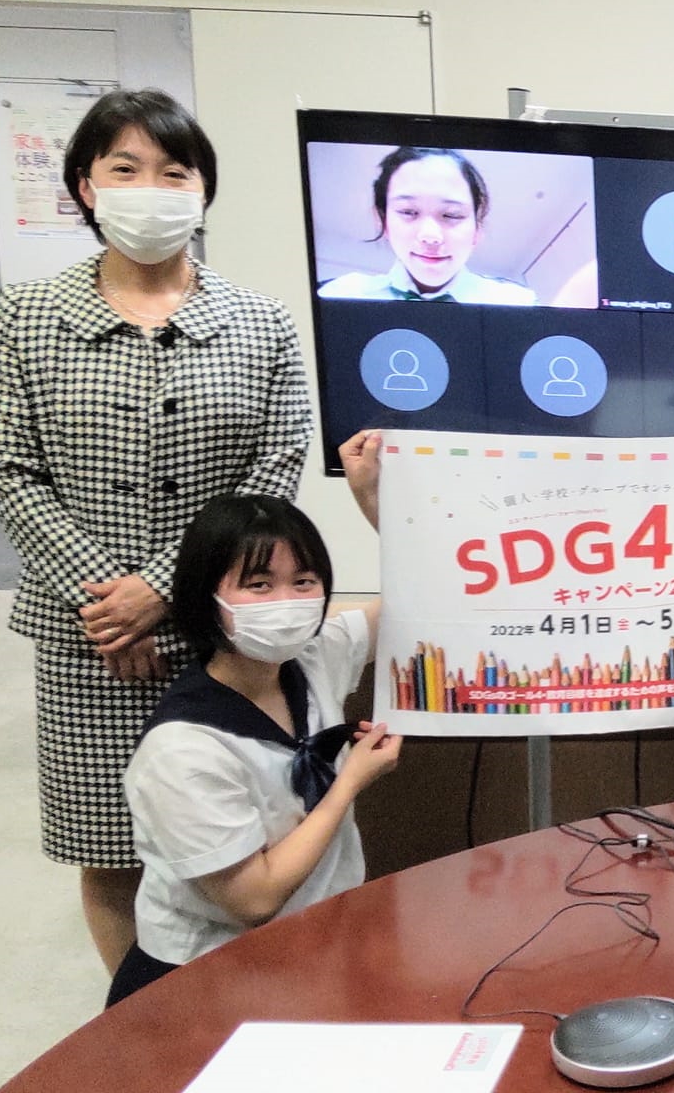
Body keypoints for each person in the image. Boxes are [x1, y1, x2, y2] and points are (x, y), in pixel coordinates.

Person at [0, 88, 311, 975]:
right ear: (86, 186)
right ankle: (144, 1020)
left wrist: (161, 591)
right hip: (87, 640)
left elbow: (274, 464)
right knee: (112, 849)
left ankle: (240, 1007)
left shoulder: (260, 321)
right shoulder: (26, 316)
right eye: (124, 168)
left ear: (203, 190)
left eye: (174, 171)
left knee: (242, 839)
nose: (150, 189)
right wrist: (109, 605)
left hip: (225, 632)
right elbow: (8, 468)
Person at [107, 431, 399, 1006]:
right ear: (204, 598)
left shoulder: (313, 657)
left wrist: (373, 503)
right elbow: (253, 899)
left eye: (303, 582)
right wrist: (349, 783)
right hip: (206, 979)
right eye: (258, 585)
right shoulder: (183, 750)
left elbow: (425, 601)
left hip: (314, 945)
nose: (285, 602)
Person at [317, 146, 535, 305]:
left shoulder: (516, 303)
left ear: (477, 229)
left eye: (451, 215)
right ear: (382, 220)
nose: (430, 236)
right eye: (408, 212)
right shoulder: (341, 295)